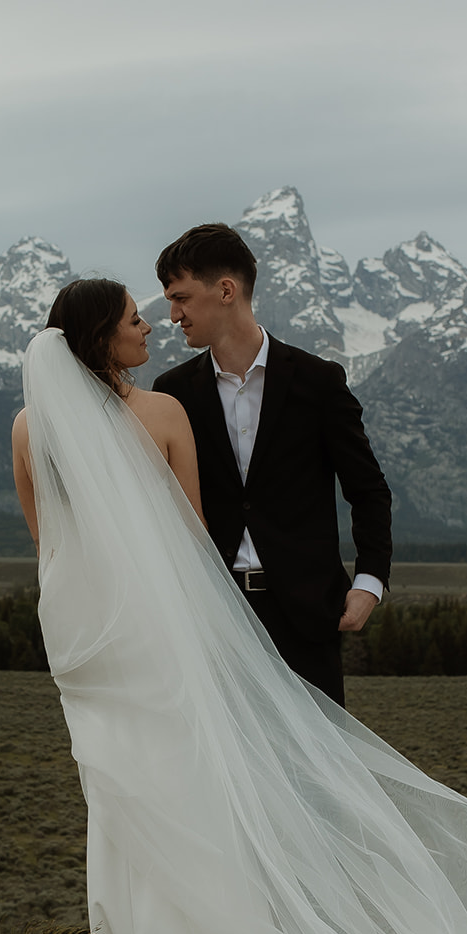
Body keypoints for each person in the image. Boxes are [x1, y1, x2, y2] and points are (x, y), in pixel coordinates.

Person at [12, 278, 467, 934]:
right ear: (96, 336)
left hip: (86, 639)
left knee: (121, 792)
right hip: (156, 637)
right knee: (186, 789)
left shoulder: (30, 427)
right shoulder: (163, 415)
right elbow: (193, 543)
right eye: (131, 319)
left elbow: (48, 542)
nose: (149, 325)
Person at [153, 223, 391, 706]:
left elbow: (368, 490)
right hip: (212, 615)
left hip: (305, 615)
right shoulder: (171, 391)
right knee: (229, 778)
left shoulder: (319, 381)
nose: (173, 315)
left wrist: (370, 581)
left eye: (181, 298)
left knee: (317, 775)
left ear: (225, 290)